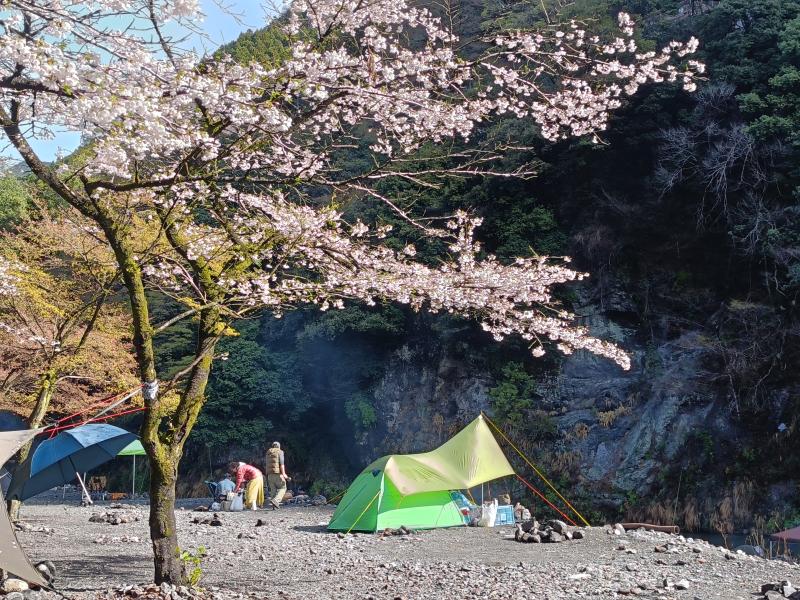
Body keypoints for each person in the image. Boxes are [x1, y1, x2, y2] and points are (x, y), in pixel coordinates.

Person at [265, 441, 288, 509]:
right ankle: (276, 501)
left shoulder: (268, 453)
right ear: (279, 446)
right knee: (283, 487)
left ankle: (273, 506)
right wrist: (284, 474)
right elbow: (282, 463)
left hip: (269, 475)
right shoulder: (280, 451)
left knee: (273, 490)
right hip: (277, 474)